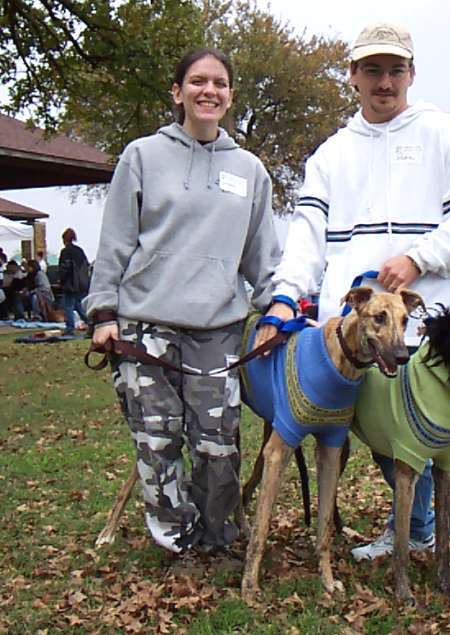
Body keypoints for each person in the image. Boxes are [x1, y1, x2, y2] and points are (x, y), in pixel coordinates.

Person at [256, 22, 450, 606]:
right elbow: (307, 235)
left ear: (412, 75)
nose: (384, 81)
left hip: (437, 328)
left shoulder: (444, 134)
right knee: (386, 437)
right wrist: (284, 295)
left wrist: (419, 258)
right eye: (371, 69)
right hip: (361, 337)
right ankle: (416, 529)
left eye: (395, 69)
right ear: (352, 76)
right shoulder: (331, 154)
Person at [85, 47, 280, 556]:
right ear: (178, 92)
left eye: (219, 82)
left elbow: (263, 257)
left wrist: (280, 309)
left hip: (216, 333)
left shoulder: (252, 171)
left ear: (230, 95)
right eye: (197, 81)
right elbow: (116, 241)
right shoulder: (143, 156)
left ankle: (218, 539)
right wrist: (103, 312)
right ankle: (177, 541)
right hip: (144, 328)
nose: (208, 90)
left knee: (218, 445)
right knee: (158, 442)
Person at [58, 228, 90, 334]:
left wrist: (61, 280)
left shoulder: (65, 252)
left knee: (68, 306)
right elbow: (86, 265)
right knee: (79, 305)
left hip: (70, 284)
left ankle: (70, 328)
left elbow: (64, 268)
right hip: (82, 284)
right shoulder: (79, 251)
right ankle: (90, 323)